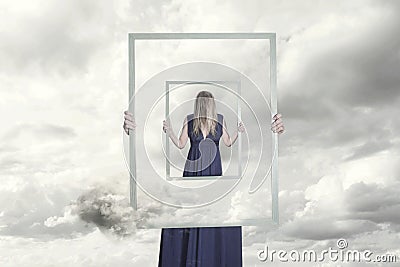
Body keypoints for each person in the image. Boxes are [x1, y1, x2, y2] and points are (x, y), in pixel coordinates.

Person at [123, 91, 284, 266]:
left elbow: (228, 142)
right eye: (207, 102)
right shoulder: (190, 119)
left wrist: (238, 132)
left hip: (213, 171)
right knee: (190, 213)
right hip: (193, 169)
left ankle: (209, 256)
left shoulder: (220, 119)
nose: (208, 105)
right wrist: (169, 132)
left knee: (213, 214)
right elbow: (181, 144)